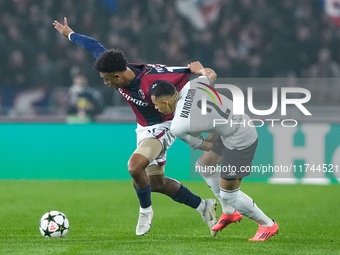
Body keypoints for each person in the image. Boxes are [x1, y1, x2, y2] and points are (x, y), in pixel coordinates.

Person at [53, 17, 217, 236]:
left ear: (117, 76)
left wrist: (200, 71)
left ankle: (145, 211)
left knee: (134, 166)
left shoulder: (154, 82)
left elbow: (197, 75)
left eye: (107, 79)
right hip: (143, 127)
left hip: (164, 125)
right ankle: (203, 206)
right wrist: (70, 34)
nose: (105, 83)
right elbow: (93, 46)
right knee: (155, 184)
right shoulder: (115, 67)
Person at [150, 61, 279, 241]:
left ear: (165, 101)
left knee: (230, 195)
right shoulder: (192, 85)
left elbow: (205, 145)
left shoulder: (178, 125)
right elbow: (211, 74)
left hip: (240, 139)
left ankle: (267, 224)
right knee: (204, 166)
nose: (156, 108)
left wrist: (214, 136)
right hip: (237, 125)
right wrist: (199, 69)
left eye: (156, 105)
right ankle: (228, 211)